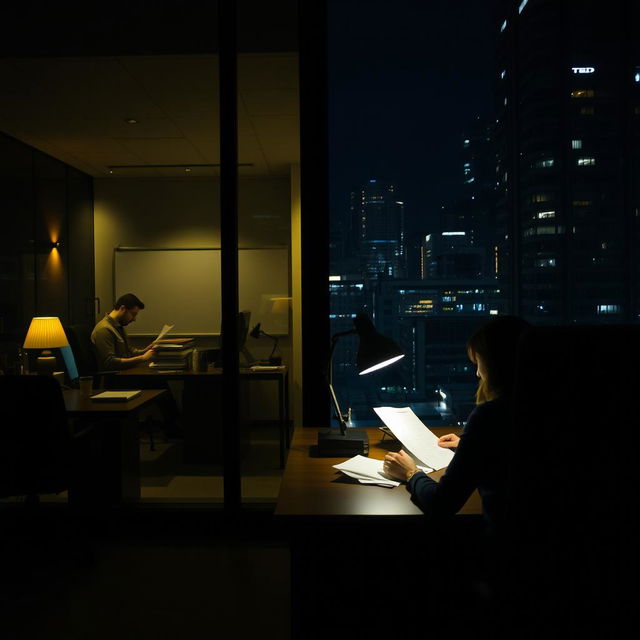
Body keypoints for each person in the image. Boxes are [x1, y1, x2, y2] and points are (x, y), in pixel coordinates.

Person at [383, 315, 530, 534]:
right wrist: (468, 446)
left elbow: (441, 504)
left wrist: (411, 474)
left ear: (497, 366)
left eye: (480, 363)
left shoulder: (489, 417)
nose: (478, 373)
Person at [91, 293, 157, 370]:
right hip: (116, 377)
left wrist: (145, 351)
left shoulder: (118, 326)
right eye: (133, 314)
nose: (134, 319)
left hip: (124, 372)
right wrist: (142, 358)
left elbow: (128, 351)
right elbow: (109, 363)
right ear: (122, 309)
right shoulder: (104, 329)